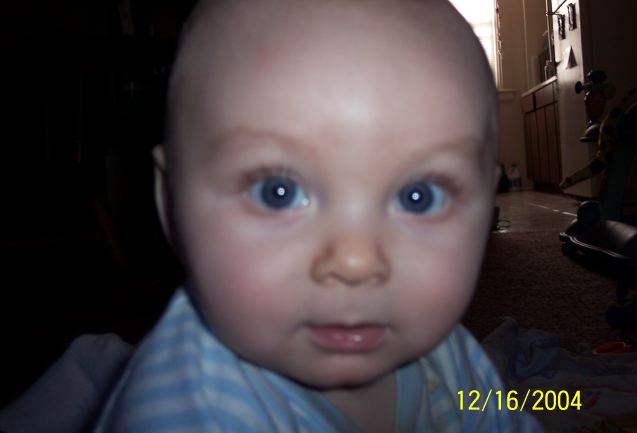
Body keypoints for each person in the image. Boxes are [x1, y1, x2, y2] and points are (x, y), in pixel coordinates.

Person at [94, 0, 544, 431]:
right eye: (278, 193)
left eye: (418, 197)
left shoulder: (448, 356)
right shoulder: (189, 415)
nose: (356, 262)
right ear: (171, 205)